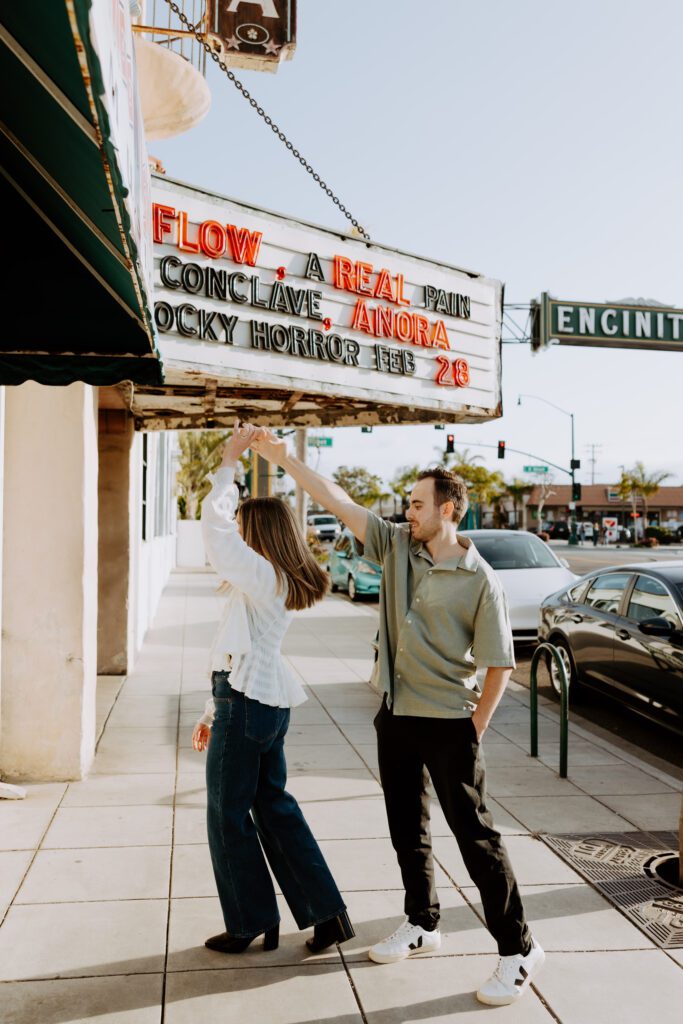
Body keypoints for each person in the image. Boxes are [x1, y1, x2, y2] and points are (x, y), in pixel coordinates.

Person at [251, 428, 544, 1006]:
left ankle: (519, 949)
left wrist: (473, 729)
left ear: (449, 509)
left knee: (475, 837)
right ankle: (423, 922)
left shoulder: (481, 581)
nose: (407, 511)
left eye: (417, 503)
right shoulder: (395, 547)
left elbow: (499, 665)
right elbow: (338, 500)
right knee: (406, 829)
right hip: (397, 714)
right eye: (408, 503)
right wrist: (287, 461)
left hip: (449, 722)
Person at [191, 421, 355, 956]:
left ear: (257, 535)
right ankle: (328, 916)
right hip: (257, 704)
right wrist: (211, 712)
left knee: (226, 814)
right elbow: (237, 651)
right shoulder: (273, 579)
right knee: (274, 808)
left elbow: (215, 535)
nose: (236, 534)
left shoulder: (262, 576)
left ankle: (249, 922)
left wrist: (228, 463)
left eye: (244, 528)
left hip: (245, 706)